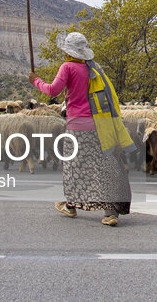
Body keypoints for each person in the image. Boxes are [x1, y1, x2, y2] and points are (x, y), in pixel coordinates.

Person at [28, 32, 133, 227]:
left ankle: (71, 206)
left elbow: (53, 91)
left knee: (74, 167)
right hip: (98, 126)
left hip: (77, 126)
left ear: (68, 51)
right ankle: (110, 213)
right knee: (101, 166)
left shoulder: (67, 67)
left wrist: (36, 80)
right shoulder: (93, 68)